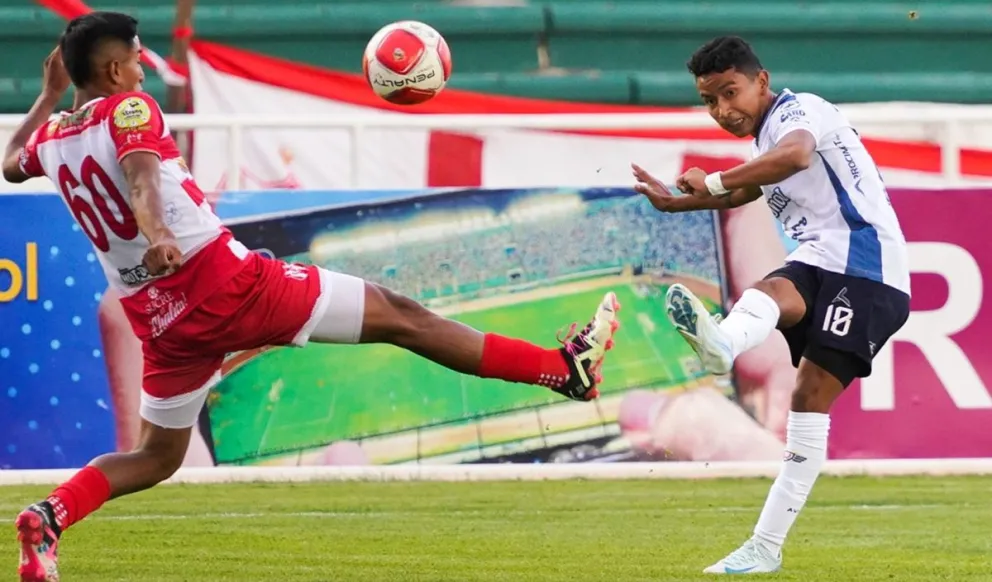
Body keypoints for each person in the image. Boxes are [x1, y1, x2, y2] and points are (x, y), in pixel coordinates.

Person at [3, 13, 620, 582]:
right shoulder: (130, 110)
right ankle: (563, 370)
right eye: (137, 59)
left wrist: (49, 96)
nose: (143, 69)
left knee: (155, 457)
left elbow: (9, 164)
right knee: (402, 317)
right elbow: (141, 176)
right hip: (227, 286)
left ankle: (50, 516)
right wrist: (161, 234)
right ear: (114, 71)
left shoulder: (54, 137)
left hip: (161, 323)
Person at [632, 35, 911, 574]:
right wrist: (677, 201)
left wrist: (709, 179)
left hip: (870, 271)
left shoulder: (801, 112)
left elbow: (795, 157)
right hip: (821, 262)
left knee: (808, 398)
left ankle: (765, 546)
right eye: (710, 101)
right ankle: (722, 345)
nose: (722, 110)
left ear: (761, 81)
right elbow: (744, 193)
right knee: (767, 291)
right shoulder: (763, 145)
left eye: (730, 93)